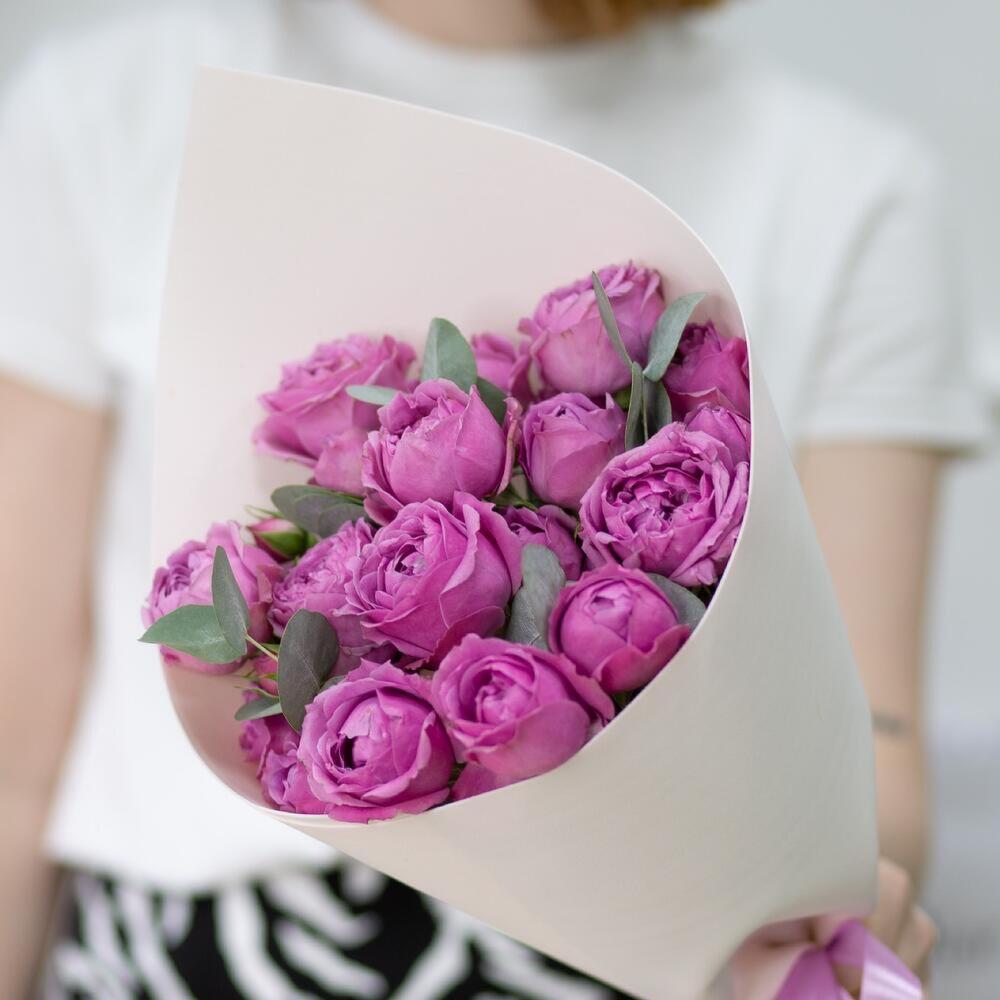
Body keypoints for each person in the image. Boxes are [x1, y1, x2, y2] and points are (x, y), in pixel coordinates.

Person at [0, 0, 984, 996]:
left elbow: (869, 741)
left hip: (644, 954)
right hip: (187, 957)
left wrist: (831, 924)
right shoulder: (110, 109)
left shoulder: (843, 186)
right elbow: (16, 744)